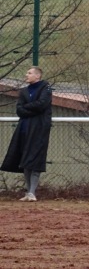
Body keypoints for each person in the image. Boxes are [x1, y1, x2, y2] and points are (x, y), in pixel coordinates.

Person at [1, 66, 52, 202]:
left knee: (35, 159)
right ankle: (28, 193)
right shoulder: (24, 91)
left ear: (37, 76)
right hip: (24, 129)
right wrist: (30, 109)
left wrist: (26, 108)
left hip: (39, 130)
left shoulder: (45, 88)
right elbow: (19, 110)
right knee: (25, 160)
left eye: (29, 73)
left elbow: (42, 105)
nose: (26, 74)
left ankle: (32, 192)